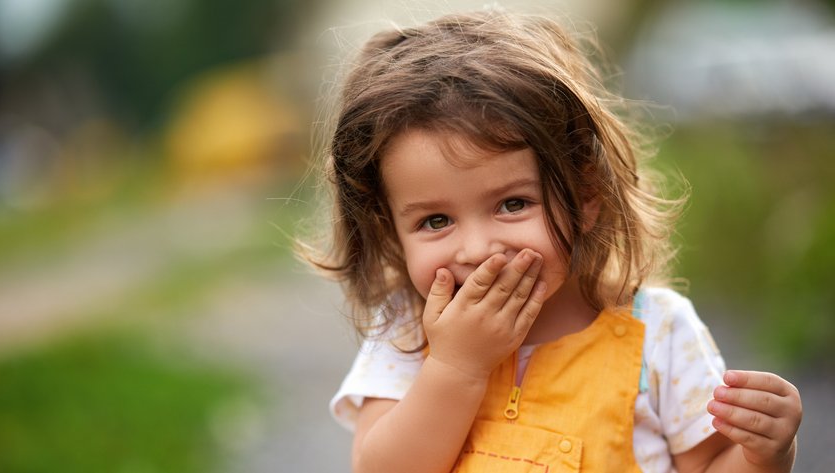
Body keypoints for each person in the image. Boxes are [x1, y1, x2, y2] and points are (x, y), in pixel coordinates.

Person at [305, 9, 802, 473]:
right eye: (435, 220)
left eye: (513, 204)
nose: (477, 249)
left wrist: (764, 455)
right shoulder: (407, 331)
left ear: (586, 197)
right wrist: (457, 366)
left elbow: (709, 464)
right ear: (388, 228)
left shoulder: (658, 332)